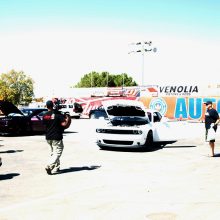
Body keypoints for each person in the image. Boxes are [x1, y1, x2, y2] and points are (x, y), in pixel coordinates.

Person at [43, 100, 70, 175]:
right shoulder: (58, 114)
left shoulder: (45, 115)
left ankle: (57, 167)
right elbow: (64, 124)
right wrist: (67, 118)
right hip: (57, 136)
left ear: (46, 106)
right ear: (53, 106)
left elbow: (44, 125)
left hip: (48, 137)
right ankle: (49, 166)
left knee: (53, 153)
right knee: (58, 152)